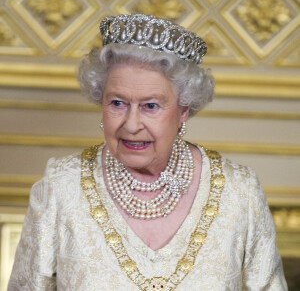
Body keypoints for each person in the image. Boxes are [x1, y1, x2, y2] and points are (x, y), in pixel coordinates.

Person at [8, 14, 287, 290]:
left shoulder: (239, 192)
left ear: (183, 111)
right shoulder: (62, 186)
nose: (131, 125)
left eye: (150, 106)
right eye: (117, 103)